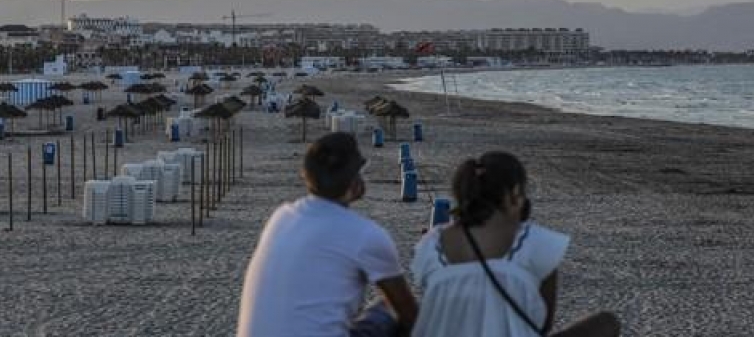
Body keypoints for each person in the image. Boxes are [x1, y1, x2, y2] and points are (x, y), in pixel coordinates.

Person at [410, 151, 620, 337]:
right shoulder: (540, 243)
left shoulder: (430, 245)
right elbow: (542, 326)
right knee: (606, 322)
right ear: (515, 193)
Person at [237, 132, 418, 337]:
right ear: (354, 180)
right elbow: (409, 314)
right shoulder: (366, 235)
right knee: (388, 311)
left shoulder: (282, 216)